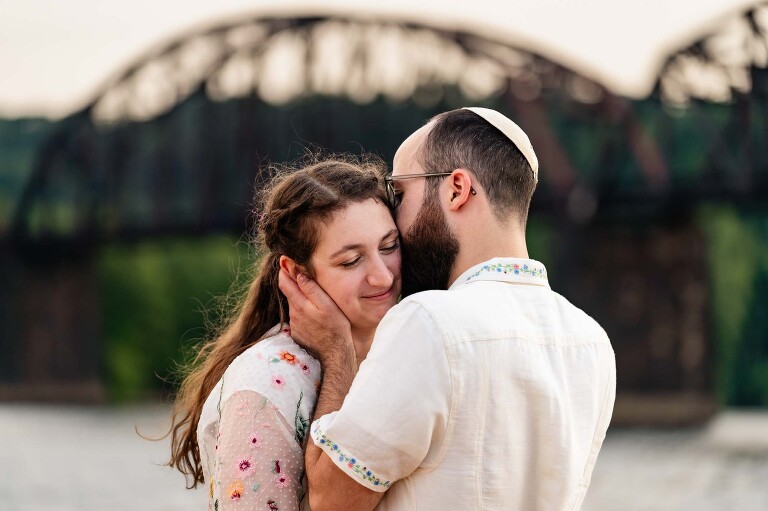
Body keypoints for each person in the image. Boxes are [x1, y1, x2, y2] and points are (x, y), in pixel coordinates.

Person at [278, 107, 617, 511]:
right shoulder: (592, 342)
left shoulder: (430, 322)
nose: (395, 224)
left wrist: (336, 351)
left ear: (456, 188)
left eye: (399, 194)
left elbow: (331, 501)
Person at [167, 157, 402, 510]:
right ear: (296, 274)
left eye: (389, 246)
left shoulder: (405, 349)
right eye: (351, 260)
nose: (383, 277)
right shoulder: (266, 384)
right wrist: (338, 354)